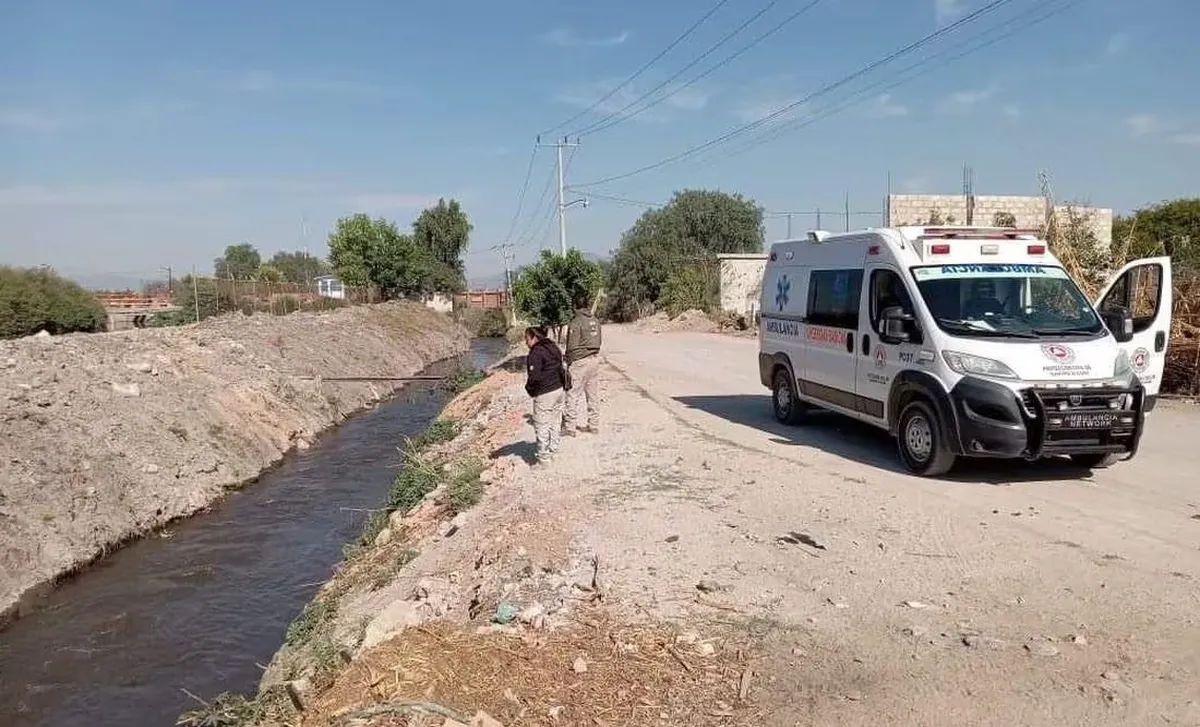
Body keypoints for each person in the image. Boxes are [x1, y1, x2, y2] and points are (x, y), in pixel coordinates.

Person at [523, 325, 566, 464]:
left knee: (542, 425)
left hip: (545, 393)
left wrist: (529, 389)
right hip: (559, 389)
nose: (525, 342)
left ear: (534, 338)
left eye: (526, 339)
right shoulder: (553, 347)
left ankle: (543, 459)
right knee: (555, 422)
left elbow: (534, 377)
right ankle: (554, 449)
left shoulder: (536, 352)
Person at [563, 294, 602, 435]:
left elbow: (572, 347)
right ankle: (594, 425)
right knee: (592, 395)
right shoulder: (595, 320)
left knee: (572, 394)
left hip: (580, 362)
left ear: (575, 306)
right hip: (594, 360)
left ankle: (570, 427)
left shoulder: (576, 322)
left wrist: (568, 360)